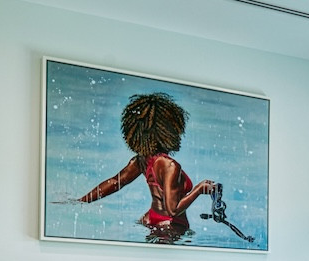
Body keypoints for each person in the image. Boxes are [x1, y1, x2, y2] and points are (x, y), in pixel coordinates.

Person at [77, 92, 215, 244]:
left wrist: (82, 201)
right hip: (170, 226)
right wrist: (199, 189)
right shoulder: (170, 166)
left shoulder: (142, 161)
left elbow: (115, 182)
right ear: (168, 131)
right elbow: (173, 210)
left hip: (150, 218)